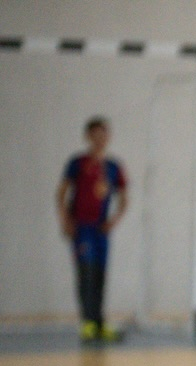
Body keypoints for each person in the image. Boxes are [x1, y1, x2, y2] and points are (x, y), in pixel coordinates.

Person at [56, 117, 128, 344]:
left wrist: (114, 220)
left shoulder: (113, 167)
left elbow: (124, 198)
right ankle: (87, 322)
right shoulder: (78, 163)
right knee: (85, 272)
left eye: (103, 135)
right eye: (95, 135)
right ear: (87, 136)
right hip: (82, 227)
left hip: (101, 229)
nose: (99, 139)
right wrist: (65, 220)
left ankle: (99, 322)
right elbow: (61, 193)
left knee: (100, 274)